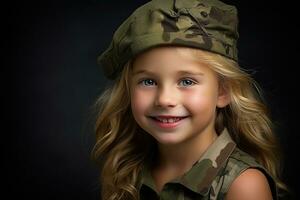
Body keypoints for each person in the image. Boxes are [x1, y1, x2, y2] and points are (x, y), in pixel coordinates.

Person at [91, 0, 287, 199]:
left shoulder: (244, 185)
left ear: (223, 92)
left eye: (186, 81)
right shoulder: (128, 172)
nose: (165, 99)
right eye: (148, 81)